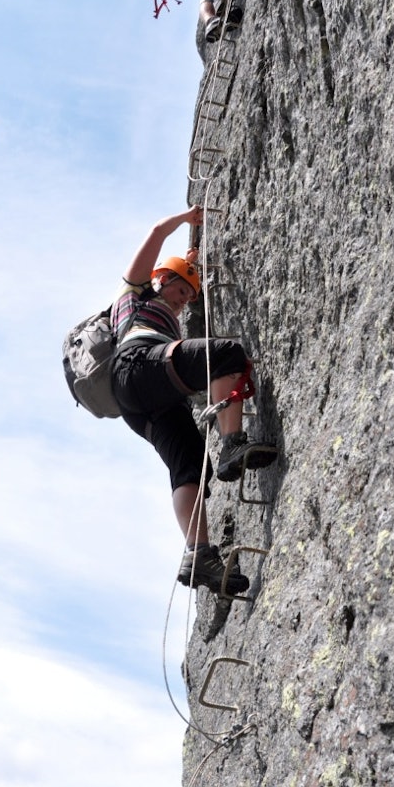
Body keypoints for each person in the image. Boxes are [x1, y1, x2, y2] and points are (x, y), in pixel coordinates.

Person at [111, 205, 278, 595]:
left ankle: (198, 554)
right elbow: (156, 232)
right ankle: (233, 444)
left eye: (189, 296)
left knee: (190, 466)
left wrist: (191, 263)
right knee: (225, 354)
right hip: (137, 363)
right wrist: (186, 218)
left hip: (141, 403)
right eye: (180, 290)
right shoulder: (135, 293)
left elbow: (185, 283)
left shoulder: (165, 311)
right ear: (160, 280)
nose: (183, 301)